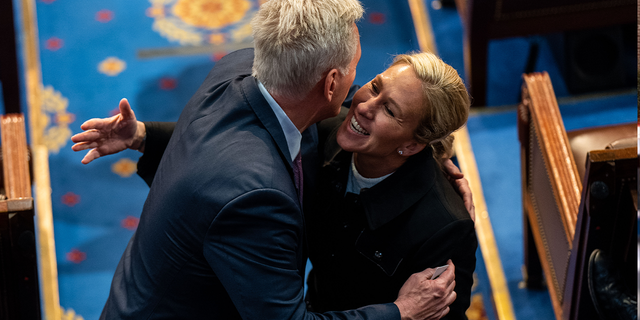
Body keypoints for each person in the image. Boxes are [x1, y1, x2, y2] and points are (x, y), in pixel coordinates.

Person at [71, 1, 462, 319]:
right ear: (330, 84)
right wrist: (401, 313)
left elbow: (222, 143)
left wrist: (431, 158)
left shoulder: (241, 68)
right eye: (364, 79)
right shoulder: (255, 197)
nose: (359, 99)